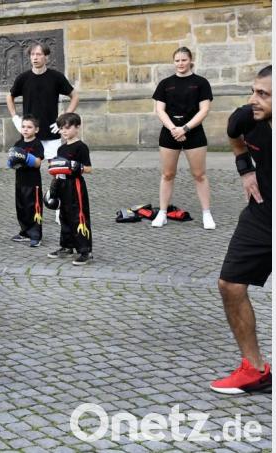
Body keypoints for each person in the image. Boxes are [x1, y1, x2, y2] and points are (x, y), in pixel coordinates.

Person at [210, 65, 272, 394]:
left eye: (263, 94)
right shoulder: (247, 117)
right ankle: (255, 370)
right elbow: (234, 135)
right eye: (252, 91)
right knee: (230, 284)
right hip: (262, 214)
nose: (252, 100)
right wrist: (245, 169)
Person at [151, 46, 215, 229]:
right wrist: (173, 128)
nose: (180, 63)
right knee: (167, 174)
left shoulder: (201, 83)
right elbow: (159, 110)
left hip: (194, 132)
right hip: (169, 133)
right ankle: (162, 213)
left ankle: (207, 214)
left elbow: (204, 110)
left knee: (199, 175)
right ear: (174, 62)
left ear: (190, 61)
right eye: (177, 60)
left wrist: (185, 128)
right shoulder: (165, 83)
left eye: (184, 60)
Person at [6, 41, 79, 161]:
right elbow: (9, 96)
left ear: (46, 57)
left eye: (39, 54)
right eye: (32, 54)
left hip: (51, 130)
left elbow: (75, 96)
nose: (35, 57)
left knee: (55, 167)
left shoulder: (56, 77)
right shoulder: (23, 78)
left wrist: (64, 118)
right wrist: (15, 118)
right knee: (29, 166)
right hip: (30, 132)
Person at [45, 113, 92, 265]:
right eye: (61, 128)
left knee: (78, 216)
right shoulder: (61, 149)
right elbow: (57, 169)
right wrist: (53, 187)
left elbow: (89, 168)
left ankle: (84, 250)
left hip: (75, 185)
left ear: (77, 127)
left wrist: (78, 167)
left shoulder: (81, 147)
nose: (64, 131)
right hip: (62, 184)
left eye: (67, 128)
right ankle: (67, 246)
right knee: (64, 215)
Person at [7, 114, 44, 247]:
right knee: (21, 208)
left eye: (29, 127)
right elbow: (13, 161)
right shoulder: (18, 144)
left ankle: (36, 235)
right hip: (20, 181)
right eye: (23, 127)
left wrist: (26, 158)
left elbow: (38, 163)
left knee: (33, 208)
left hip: (33, 183)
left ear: (36, 129)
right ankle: (25, 232)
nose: (26, 129)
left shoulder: (37, 144)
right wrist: (11, 163)